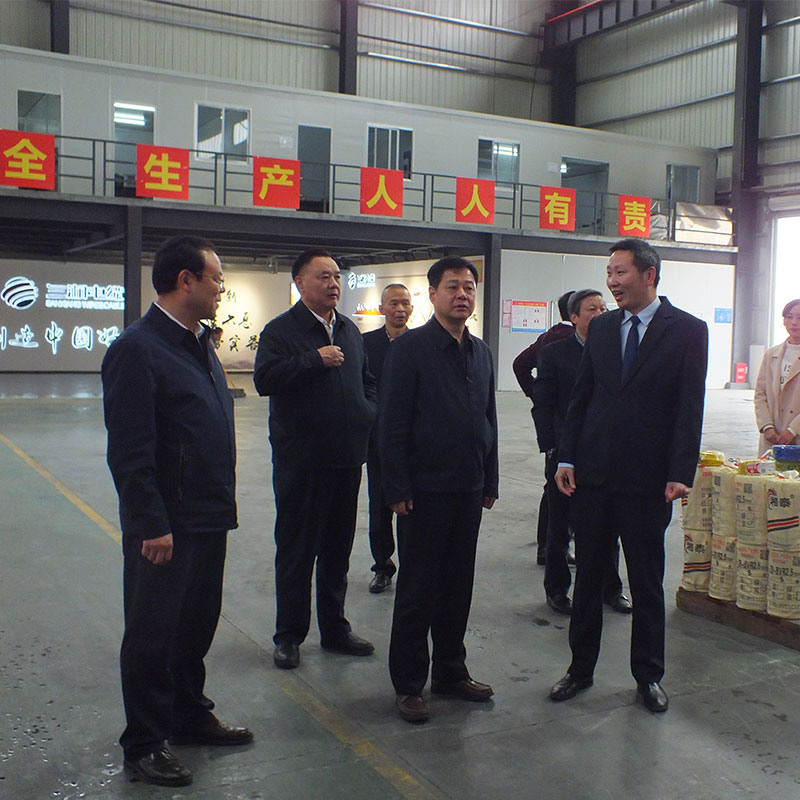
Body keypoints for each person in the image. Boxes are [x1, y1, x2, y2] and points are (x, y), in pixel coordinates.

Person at [102, 236, 252, 789]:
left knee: (195, 624)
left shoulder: (198, 344)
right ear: (185, 281)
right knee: (152, 632)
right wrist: (150, 523)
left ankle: (188, 714)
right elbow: (130, 449)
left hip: (208, 514)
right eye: (216, 279)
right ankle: (144, 743)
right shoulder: (137, 349)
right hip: (167, 524)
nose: (221, 289)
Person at [550, 238, 708, 713]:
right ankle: (580, 669)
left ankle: (649, 676)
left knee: (645, 580)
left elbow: (689, 406)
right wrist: (566, 457)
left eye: (620, 272)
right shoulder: (602, 327)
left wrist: (680, 470)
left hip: (648, 481)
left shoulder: (688, 330)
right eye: (609, 273)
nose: (612, 282)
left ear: (649, 275)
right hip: (594, 476)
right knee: (589, 579)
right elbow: (582, 397)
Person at [380, 256, 499, 724]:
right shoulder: (409, 349)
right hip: (423, 493)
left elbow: (488, 419)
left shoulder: (481, 351)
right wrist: (396, 486)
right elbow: (391, 423)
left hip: (468, 489)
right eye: (452, 286)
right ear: (432, 294)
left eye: (469, 287)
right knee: (418, 589)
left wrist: (489, 478)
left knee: (457, 587)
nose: (462, 294)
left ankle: (451, 672)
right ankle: (409, 684)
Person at [253, 249, 377, 670]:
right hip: (301, 461)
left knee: (337, 551)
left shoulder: (349, 330)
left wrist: (367, 411)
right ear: (300, 283)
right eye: (323, 276)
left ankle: (335, 629)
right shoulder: (280, 331)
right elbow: (265, 379)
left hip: (346, 459)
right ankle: (289, 635)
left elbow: (367, 380)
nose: (333, 284)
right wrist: (314, 360)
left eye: (337, 276)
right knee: (297, 550)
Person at [532, 289, 631, 616]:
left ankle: (610, 588)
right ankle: (557, 589)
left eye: (604, 308)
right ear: (574, 317)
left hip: (605, 454)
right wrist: (551, 447)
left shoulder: (616, 352)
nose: (601, 313)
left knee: (609, 526)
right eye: (592, 309)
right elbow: (543, 404)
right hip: (566, 454)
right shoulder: (555, 353)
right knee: (560, 526)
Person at [513, 290, 576, 566]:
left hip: (555, 421)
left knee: (552, 484)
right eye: (593, 308)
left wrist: (537, 394)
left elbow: (520, 364)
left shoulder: (549, 335)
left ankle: (546, 547)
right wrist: (539, 395)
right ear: (574, 313)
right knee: (561, 486)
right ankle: (554, 548)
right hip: (563, 424)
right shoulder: (566, 340)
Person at [362, 283, 414, 593]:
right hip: (379, 440)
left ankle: (412, 567)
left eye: (405, 303)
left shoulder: (421, 343)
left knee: (412, 507)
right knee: (380, 506)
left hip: (414, 442)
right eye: (393, 303)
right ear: (381, 308)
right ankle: (382, 566)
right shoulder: (365, 344)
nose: (400, 309)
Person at [754, 298, 800, 455]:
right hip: (773, 437)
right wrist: (767, 426)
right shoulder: (771, 354)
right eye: (789, 317)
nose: (794, 322)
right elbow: (760, 394)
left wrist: (793, 429)